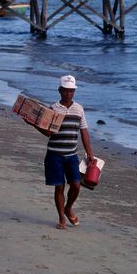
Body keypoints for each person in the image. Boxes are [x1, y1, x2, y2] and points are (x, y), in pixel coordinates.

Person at [32, 75, 94, 230]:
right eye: (65, 91)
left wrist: (89, 153)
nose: (68, 94)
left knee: (76, 185)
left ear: (74, 91)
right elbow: (48, 133)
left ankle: (68, 208)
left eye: (71, 91)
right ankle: (61, 217)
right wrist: (34, 124)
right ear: (60, 90)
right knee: (59, 187)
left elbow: (84, 132)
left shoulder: (79, 109)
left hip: (72, 155)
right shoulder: (53, 109)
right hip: (55, 154)